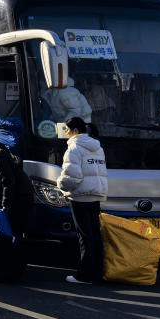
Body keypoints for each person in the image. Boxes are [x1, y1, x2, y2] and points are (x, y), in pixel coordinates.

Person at [58, 116, 108, 285]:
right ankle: (98, 271)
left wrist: (60, 184)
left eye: (67, 130)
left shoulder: (74, 148)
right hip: (96, 194)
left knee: (84, 236)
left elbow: (73, 178)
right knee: (95, 235)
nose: (66, 134)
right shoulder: (97, 147)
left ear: (75, 131)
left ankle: (84, 275)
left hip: (80, 196)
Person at [0, 139, 33, 237]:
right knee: (13, 230)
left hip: (17, 200)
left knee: (13, 230)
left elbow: (8, 182)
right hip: (16, 198)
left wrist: (5, 204)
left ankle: (11, 250)